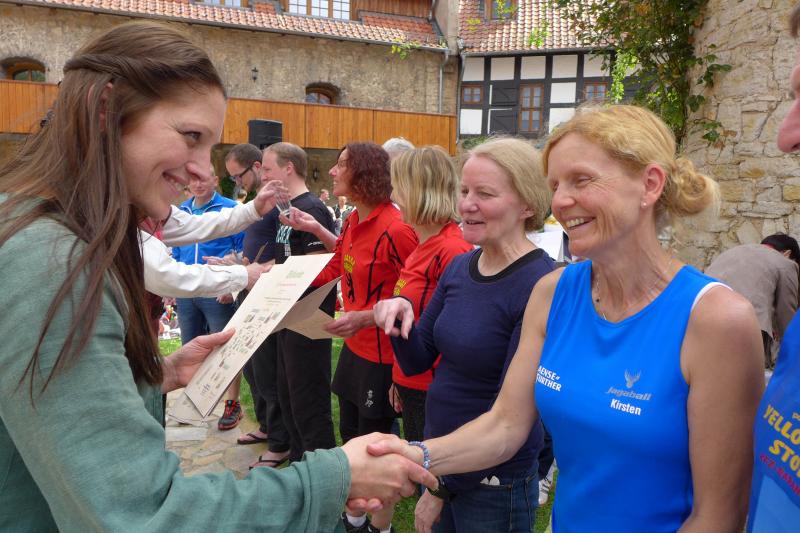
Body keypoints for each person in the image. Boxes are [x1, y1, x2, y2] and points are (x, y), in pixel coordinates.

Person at [0, 21, 434, 532]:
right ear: (106, 111)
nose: (203, 171)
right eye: (190, 137)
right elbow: (143, 514)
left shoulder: (46, 230)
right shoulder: (53, 261)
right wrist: (335, 477)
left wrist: (155, 376)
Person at [372, 105, 764, 532]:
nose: (559, 201)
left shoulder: (715, 320)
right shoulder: (553, 293)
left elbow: (718, 516)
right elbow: (505, 426)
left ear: (649, 184)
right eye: (555, 185)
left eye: (581, 180)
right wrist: (414, 455)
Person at [373, 138, 553, 533]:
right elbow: (419, 360)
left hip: (494, 481)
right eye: (465, 191)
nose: (467, 204)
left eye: (484, 194)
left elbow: (507, 421)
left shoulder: (541, 283)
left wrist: (441, 488)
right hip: (445, 460)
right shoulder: (461, 267)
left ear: (527, 205)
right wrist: (399, 319)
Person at [280, 142, 418, 533]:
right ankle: (355, 515)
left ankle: (380, 525)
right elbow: (336, 267)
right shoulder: (355, 219)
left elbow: (418, 297)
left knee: (376, 444)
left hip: (383, 356)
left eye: (342, 165)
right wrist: (284, 280)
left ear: (365, 174)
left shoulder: (397, 229)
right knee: (351, 435)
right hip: (354, 351)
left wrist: (398, 364)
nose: (333, 172)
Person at [747, 6, 800, 530]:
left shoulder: (746, 251)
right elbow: (786, 315)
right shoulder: (784, 267)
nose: (784, 139)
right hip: (754, 324)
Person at [264, 142, 338, 464]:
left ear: (288, 169)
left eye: (268, 169)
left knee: (308, 397)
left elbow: (318, 266)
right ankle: (300, 463)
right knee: (289, 393)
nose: (263, 175)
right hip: (287, 314)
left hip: (308, 318)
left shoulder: (312, 208)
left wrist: (276, 278)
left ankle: (322, 467)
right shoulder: (287, 209)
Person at [224, 142, 291, 466]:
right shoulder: (255, 202)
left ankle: (280, 441)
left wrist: (258, 270)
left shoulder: (277, 205)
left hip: (267, 294)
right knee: (251, 367)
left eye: (239, 176)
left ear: (254, 167)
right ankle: (266, 425)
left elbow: (285, 249)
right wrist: (236, 264)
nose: (238, 183)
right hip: (250, 288)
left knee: (266, 371)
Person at [172, 165, 246, 430]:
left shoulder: (230, 210)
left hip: (217, 292)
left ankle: (232, 404)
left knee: (225, 349)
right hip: (187, 293)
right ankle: (194, 403)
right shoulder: (181, 211)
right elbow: (176, 252)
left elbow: (242, 253)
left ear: (215, 180)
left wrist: (230, 285)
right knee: (190, 348)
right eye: (193, 179)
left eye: (204, 179)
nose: (198, 184)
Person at [706, 233, 799, 368]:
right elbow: (786, 315)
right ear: (787, 254)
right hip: (743, 329)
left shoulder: (732, 252)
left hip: (701, 320)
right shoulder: (786, 264)